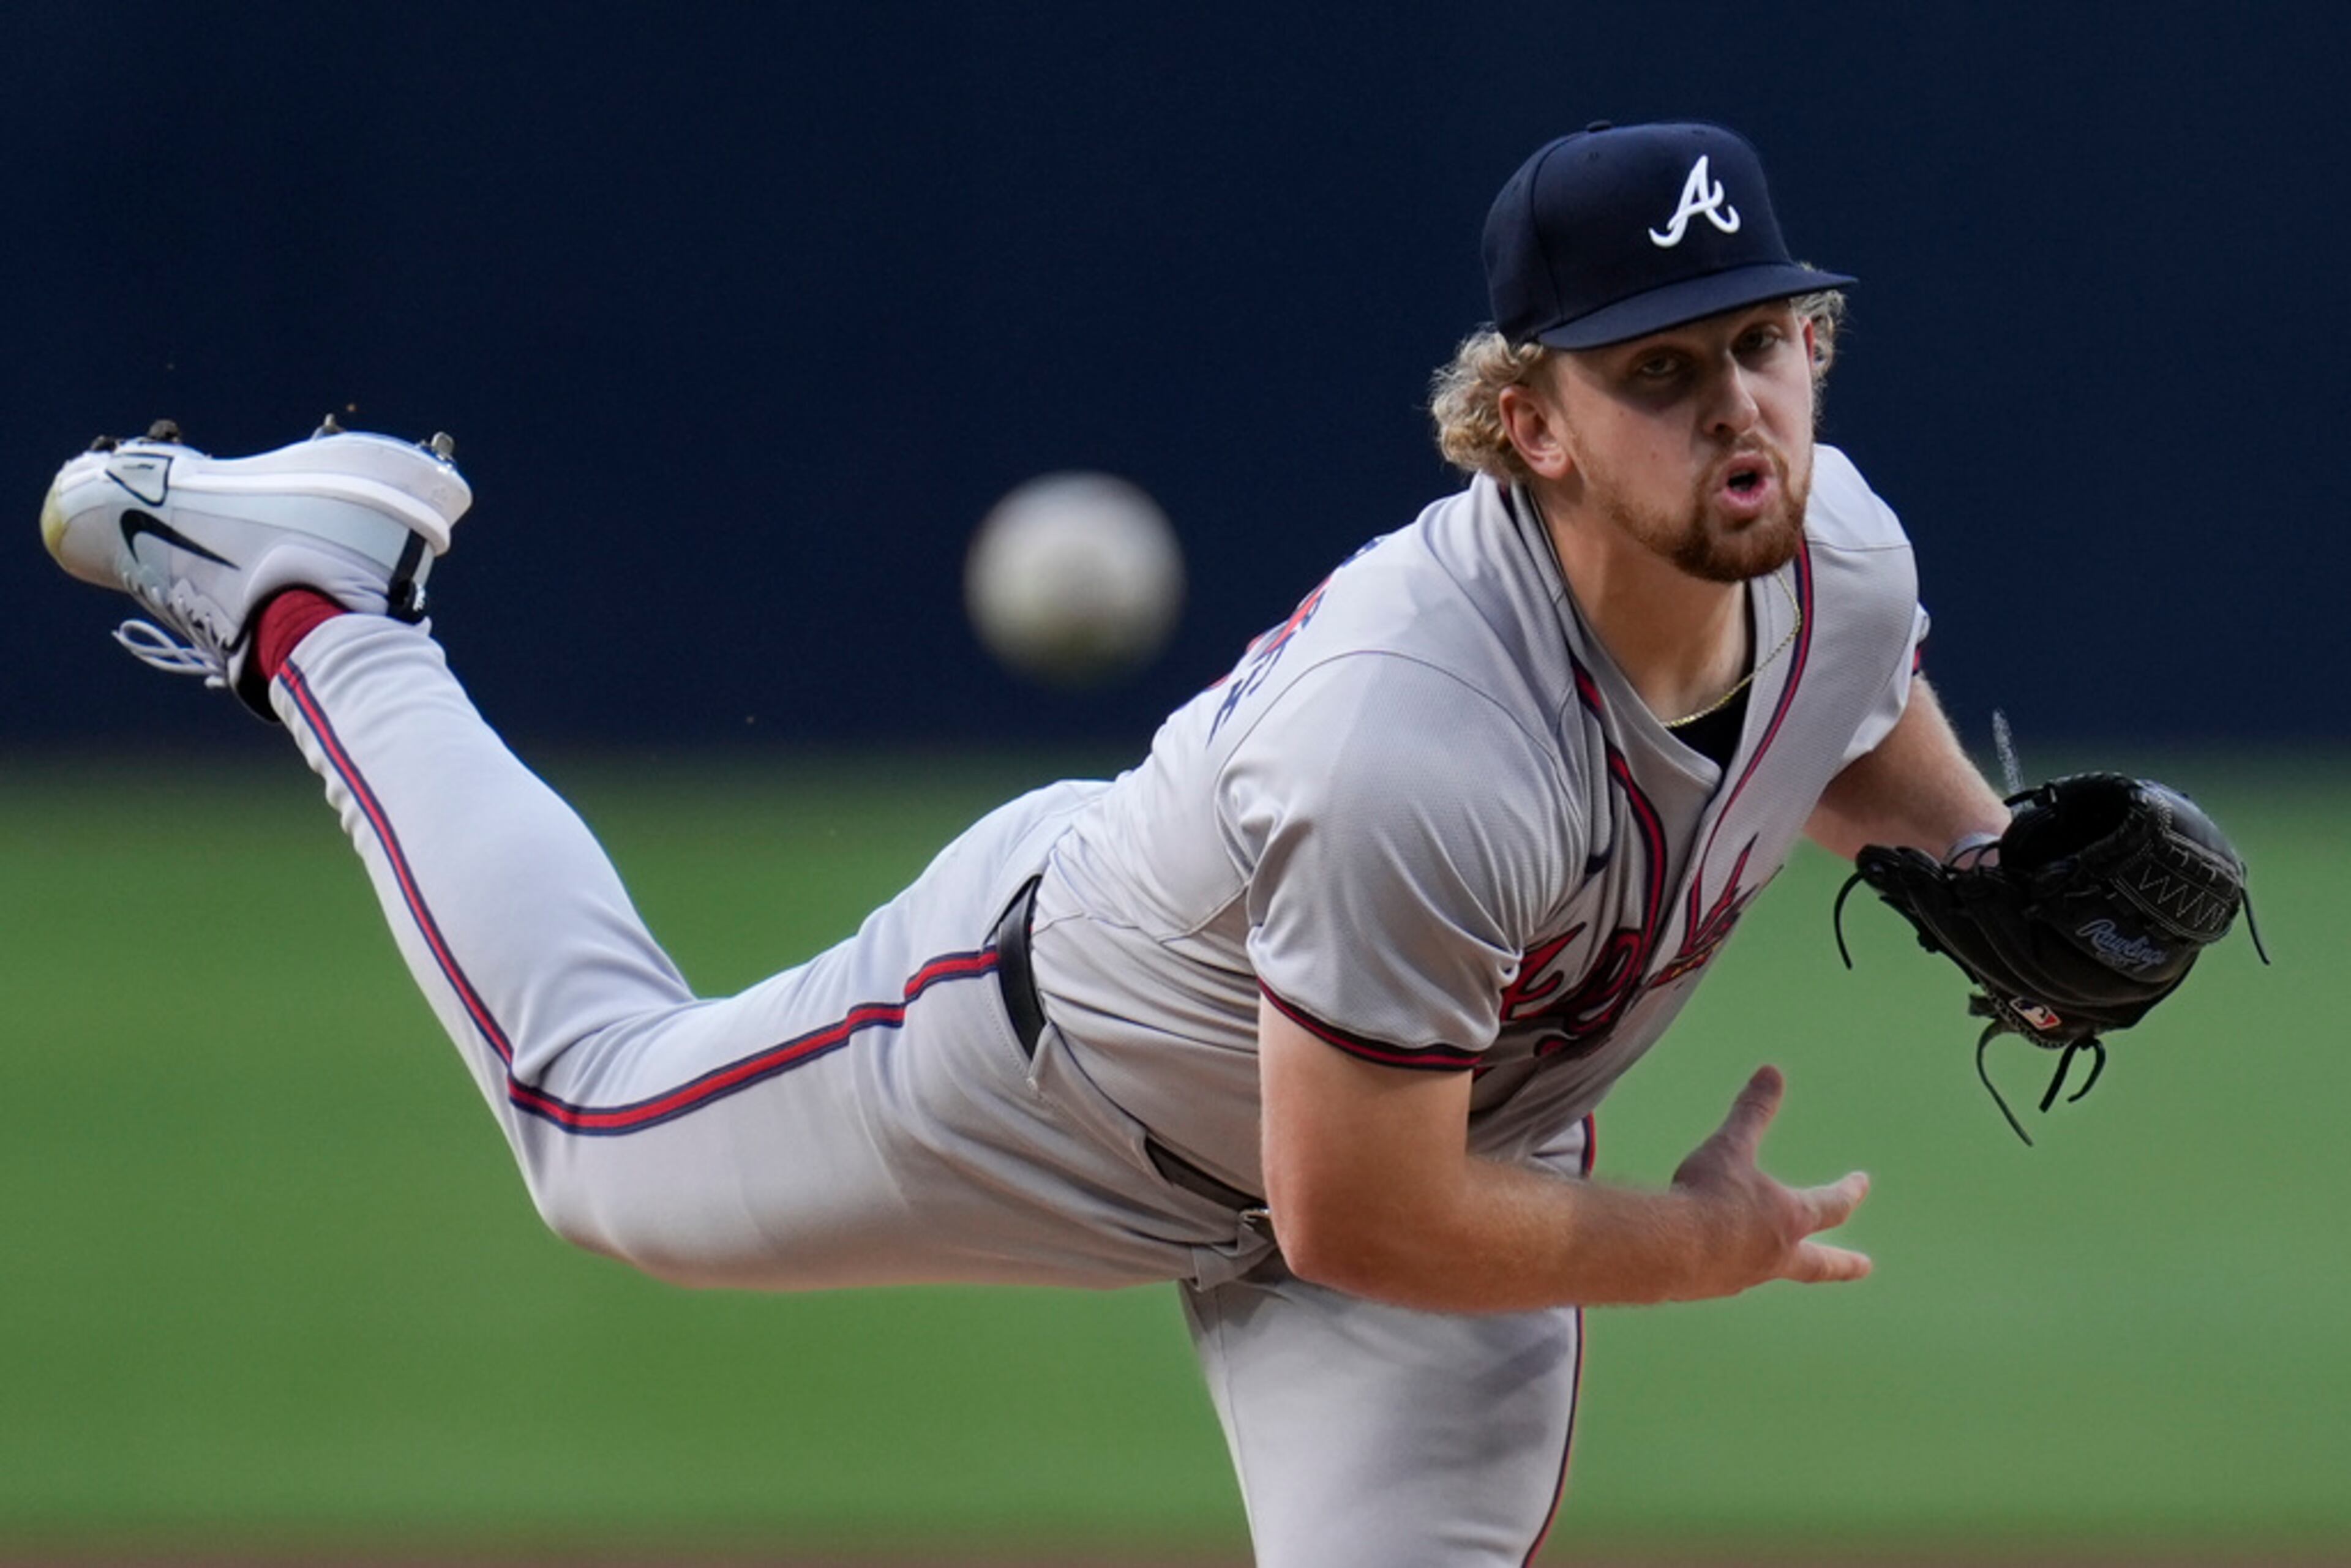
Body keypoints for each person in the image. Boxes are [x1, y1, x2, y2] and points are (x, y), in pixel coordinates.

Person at [43, 121, 2012, 1567]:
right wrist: (1695, 1246)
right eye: (1658, 368)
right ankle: (319, 603)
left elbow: (1838, 721)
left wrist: (1992, 866)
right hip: (1058, 1078)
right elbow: (1358, 1216)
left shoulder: (1838, 548)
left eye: (1764, 338)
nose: (1737, 403)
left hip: (1441, 1170)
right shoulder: (1416, 738)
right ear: (1530, 424)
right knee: (594, 1133)